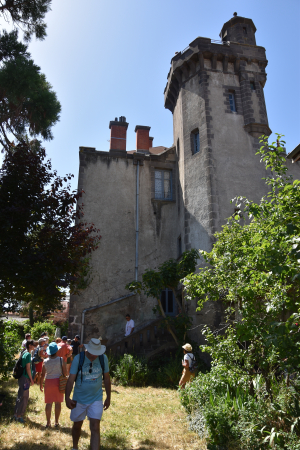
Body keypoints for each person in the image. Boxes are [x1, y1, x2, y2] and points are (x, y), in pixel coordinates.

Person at [65, 338, 111, 450]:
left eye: (97, 353)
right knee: (77, 426)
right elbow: (71, 380)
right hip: (79, 399)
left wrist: (108, 397)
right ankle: (75, 447)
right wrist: (67, 397)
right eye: (93, 353)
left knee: (95, 427)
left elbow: (107, 378)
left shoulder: (102, 358)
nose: (95, 356)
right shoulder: (78, 358)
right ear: (88, 350)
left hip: (96, 398)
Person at [40, 342, 67, 428]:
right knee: (58, 403)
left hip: (48, 382)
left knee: (48, 403)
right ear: (57, 351)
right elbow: (65, 373)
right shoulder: (61, 360)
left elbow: (42, 375)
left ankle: (48, 423)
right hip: (58, 382)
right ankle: (56, 422)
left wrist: (41, 384)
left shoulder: (45, 361)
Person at [13, 340, 35, 423]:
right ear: (29, 345)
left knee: (20, 396)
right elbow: (28, 368)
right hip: (25, 378)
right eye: (33, 345)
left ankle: (16, 414)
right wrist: (31, 379)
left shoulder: (24, 352)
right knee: (24, 397)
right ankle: (19, 416)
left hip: (21, 377)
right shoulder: (28, 354)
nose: (34, 346)